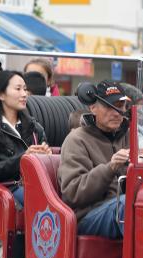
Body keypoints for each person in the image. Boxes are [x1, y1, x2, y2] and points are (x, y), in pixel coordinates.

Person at [59, 80, 132, 239]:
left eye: (120, 106)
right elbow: (73, 192)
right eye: (109, 106)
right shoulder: (77, 139)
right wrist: (110, 167)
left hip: (118, 206)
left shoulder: (131, 136)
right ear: (92, 108)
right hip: (88, 216)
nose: (116, 112)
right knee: (128, 205)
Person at [0, 71, 49, 207]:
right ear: (1, 94)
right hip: (8, 190)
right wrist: (24, 158)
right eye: (18, 89)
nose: (24, 94)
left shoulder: (35, 128)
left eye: (25, 89)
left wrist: (46, 156)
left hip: (37, 186)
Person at [119, 83, 143, 152]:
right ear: (125, 110)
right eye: (138, 112)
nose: (141, 117)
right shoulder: (116, 135)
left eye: (141, 111)